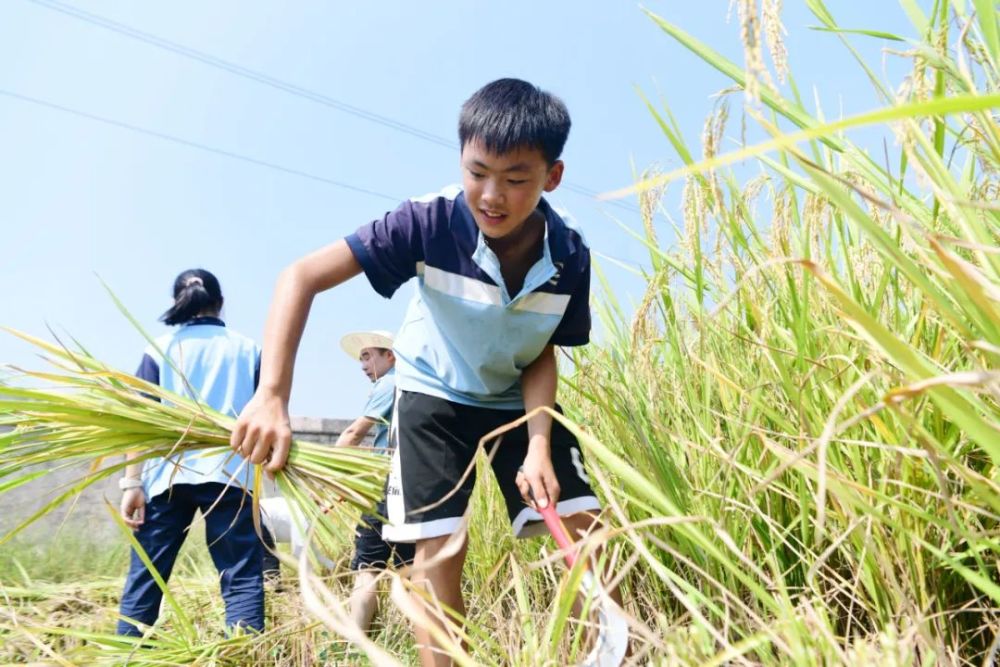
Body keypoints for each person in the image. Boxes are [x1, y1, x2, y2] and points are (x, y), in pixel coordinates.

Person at [230, 78, 620, 666]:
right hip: (431, 400)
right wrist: (272, 395)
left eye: (516, 179)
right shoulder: (427, 223)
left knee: (590, 533)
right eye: (477, 171)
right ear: (461, 159)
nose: (492, 195)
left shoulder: (568, 254)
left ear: (552, 177)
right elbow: (300, 276)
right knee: (438, 559)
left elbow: (542, 348)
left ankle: (610, 654)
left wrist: (540, 444)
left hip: (515, 398)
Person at [117, 269, 266, 637]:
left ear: (176, 303)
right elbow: (267, 416)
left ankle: (127, 658)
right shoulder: (248, 350)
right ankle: (244, 656)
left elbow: (139, 420)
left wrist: (130, 483)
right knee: (242, 577)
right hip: (231, 475)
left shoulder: (160, 348)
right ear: (221, 302)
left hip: (166, 477)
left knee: (146, 579)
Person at [335, 330, 415, 635]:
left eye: (368, 356)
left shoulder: (389, 382)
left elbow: (355, 433)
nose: (363, 365)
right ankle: (420, 645)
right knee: (411, 569)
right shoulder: (413, 385)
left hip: (386, 485)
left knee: (368, 567)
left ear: (389, 356)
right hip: (412, 485)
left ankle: (356, 645)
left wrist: (330, 473)